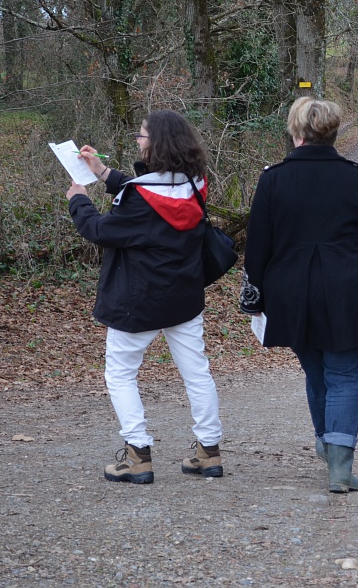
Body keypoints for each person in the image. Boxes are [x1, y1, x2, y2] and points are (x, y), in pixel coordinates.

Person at [240, 97, 358, 493]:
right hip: (351, 291)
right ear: (333, 131)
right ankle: (339, 469)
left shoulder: (272, 179)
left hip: (292, 295)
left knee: (317, 373)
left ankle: (330, 450)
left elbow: (257, 244)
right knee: (344, 376)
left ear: (296, 132)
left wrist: (254, 296)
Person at [67, 110, 224, 484]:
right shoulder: (195, 184)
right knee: (196, 373)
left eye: (141, 136)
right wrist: (103, 172)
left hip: (138, 301)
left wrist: (78, 199)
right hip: (184, 297)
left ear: (156, 145)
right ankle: (210, 452)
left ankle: (138, 455)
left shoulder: (140, 196)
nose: (138, 141)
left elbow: (100, 229)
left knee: (120, 375)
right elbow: (152, 195)